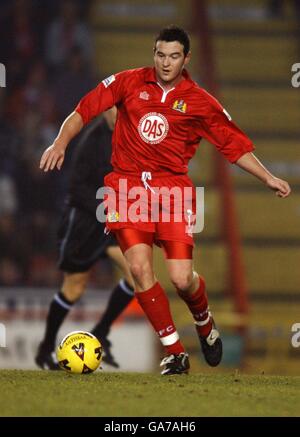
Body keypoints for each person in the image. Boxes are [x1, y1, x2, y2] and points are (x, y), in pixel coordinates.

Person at [39, 25, 291, 375]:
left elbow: (233, 144)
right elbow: (84, 109)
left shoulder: (200, 101)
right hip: (127, 189)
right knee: (140, 269)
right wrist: (60, 143)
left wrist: (268, 177)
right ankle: (175, 352)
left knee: (181, 278)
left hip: (172, 192)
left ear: (185, 58)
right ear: (153, 54)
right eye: (160, 54)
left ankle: (203, 320)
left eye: (174, 56)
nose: (166, 62)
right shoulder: (128, 82)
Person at [35, 107, 135, 370]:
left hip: (110, 222)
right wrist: (107, 210)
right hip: (84, 224)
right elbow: (76, 188)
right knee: (74, 288)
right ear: (104, 111)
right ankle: (45, 350)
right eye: (112, 107)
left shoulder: (129, 136)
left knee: (137, 273)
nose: (117, 112)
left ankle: (100, 331)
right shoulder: (92, 141)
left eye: (120, 107)